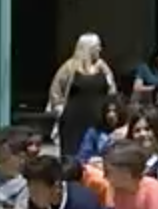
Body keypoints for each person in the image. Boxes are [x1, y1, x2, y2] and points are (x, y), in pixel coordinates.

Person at [47, 34, 116, 166]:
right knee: (73, 157)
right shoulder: (69, 67)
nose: (100, 49)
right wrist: (59, 108)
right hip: (73, 122)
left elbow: (112, 90)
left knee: (98, 156)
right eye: (97, 47)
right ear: (88, 48)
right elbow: (56, 90)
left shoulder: (103, 67)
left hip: (98, 120)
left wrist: (112, 110)